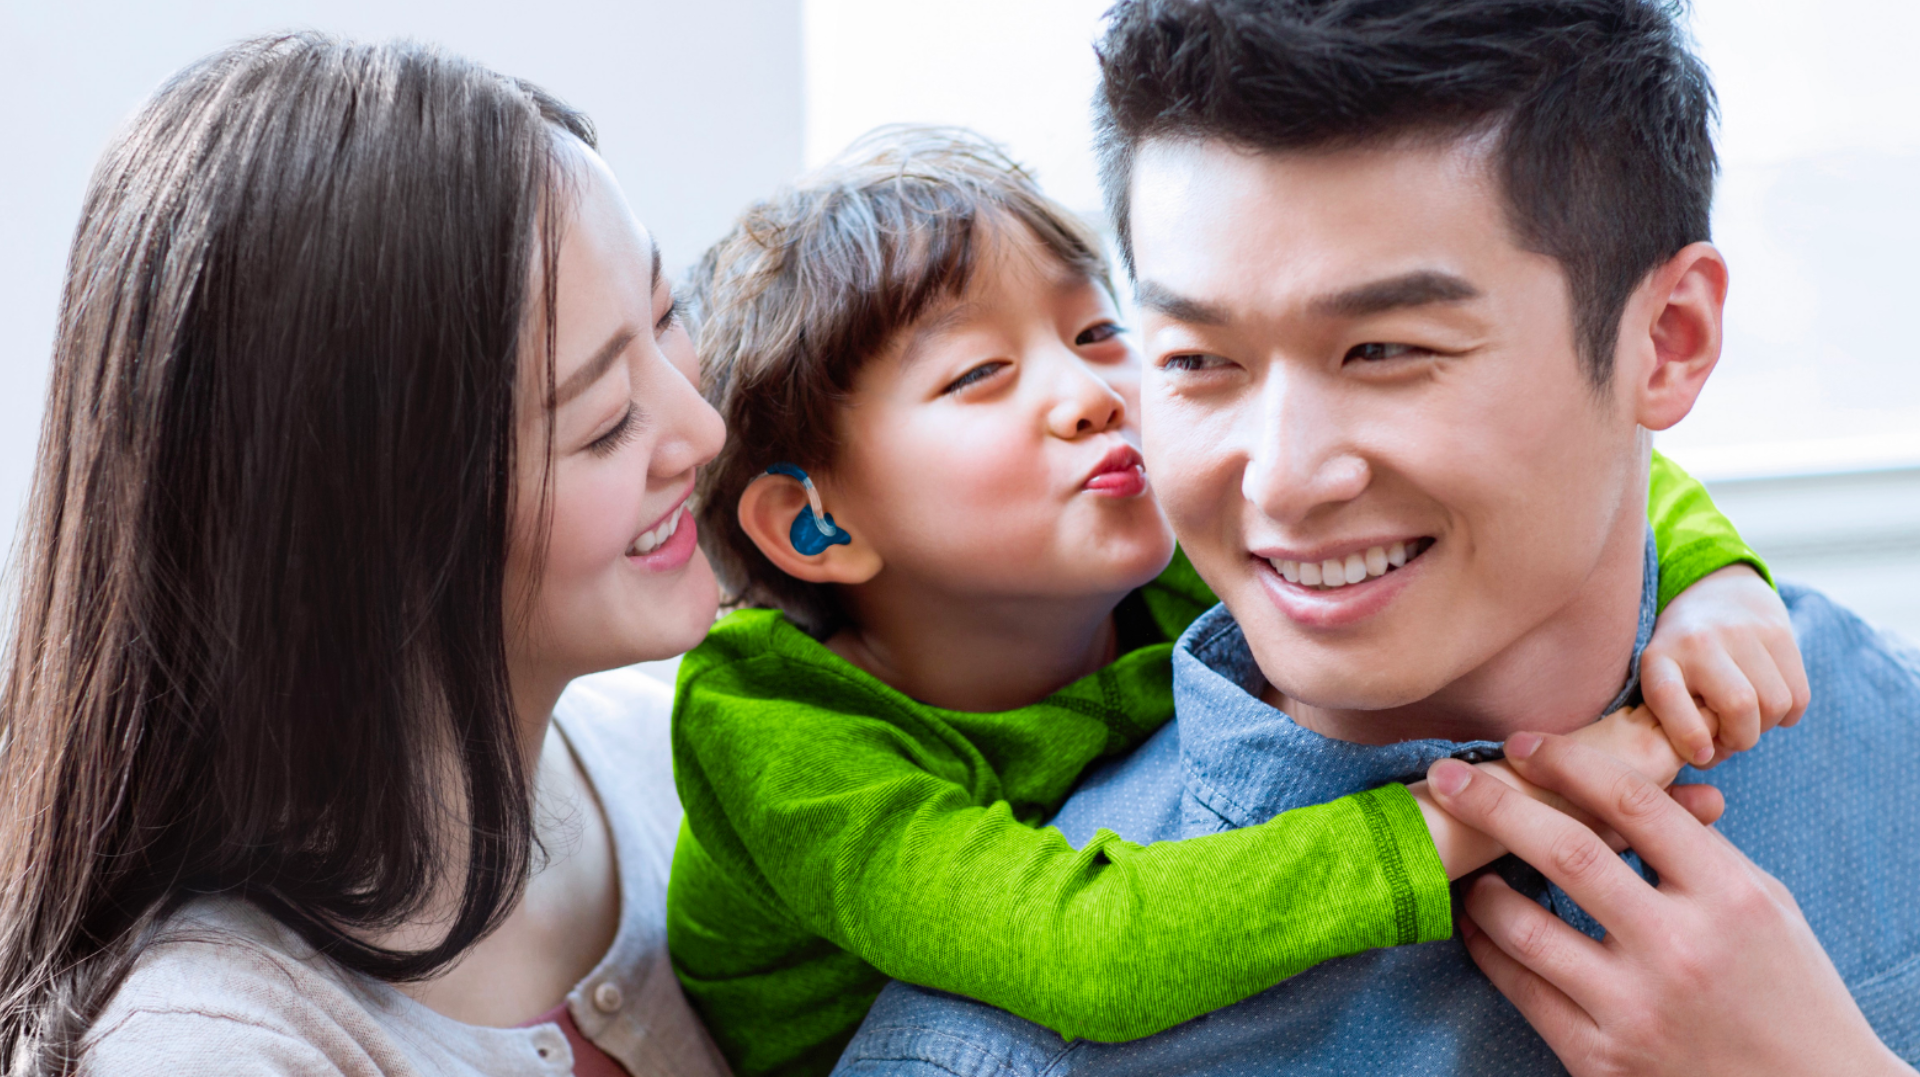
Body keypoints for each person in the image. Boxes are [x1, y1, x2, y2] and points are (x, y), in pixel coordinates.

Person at [834, 0, 1920, 1073]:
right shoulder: (985, 1051)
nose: (1283, 477)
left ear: (1669, 341)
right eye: (1197, 361)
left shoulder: (1892, 741)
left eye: (1386, 351)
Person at [666, 128, 1801, 1077]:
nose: (1093, 398)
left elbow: (1560, 461)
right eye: (978, 377)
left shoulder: (1153, 532)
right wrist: (1499, 806)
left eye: (1099, 332)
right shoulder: (774, 728)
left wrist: (1712, 578)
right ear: (818, 526)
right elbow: (1087, 950)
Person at [0, 35, 729, 1076]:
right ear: (375, 537)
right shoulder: (207, 1048)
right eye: (607, 419)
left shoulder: (681, 766)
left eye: (669, 316)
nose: (701, 430)